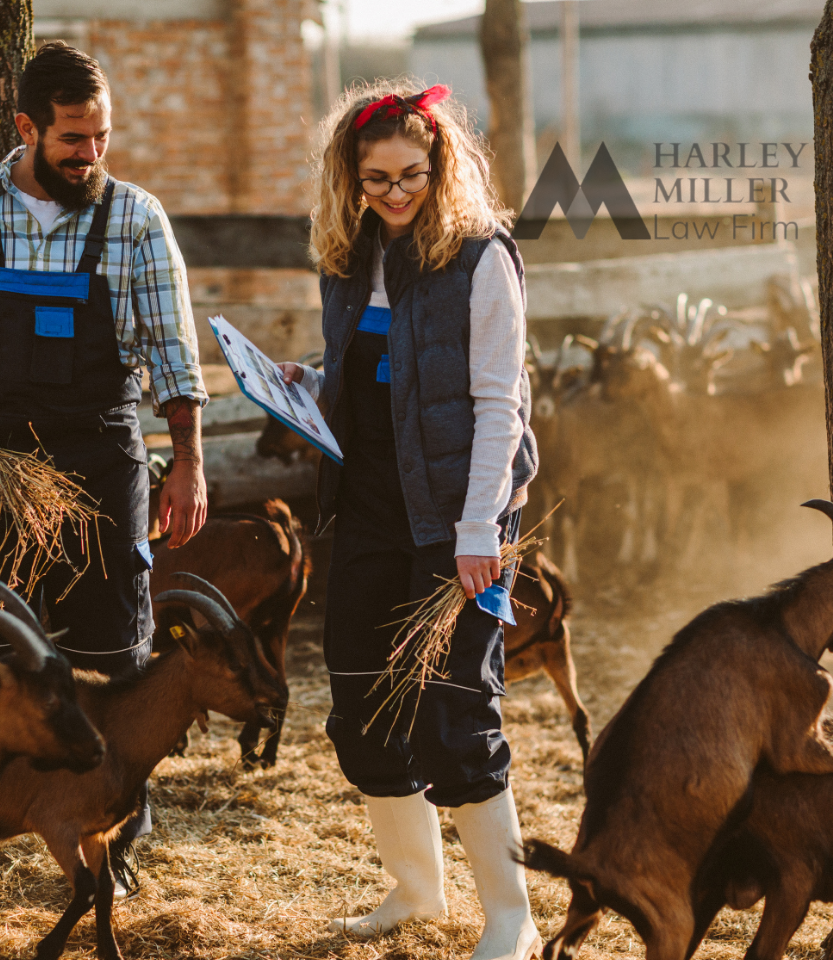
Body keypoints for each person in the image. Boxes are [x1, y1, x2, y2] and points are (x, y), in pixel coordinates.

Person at [0, 41, 207, 884]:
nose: (92, 154)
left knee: (115, 639)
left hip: (102, 456)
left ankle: (112, 824)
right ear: (28, 127)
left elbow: (173, 353)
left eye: (102, 136)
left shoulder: (137, 218)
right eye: (74, 138)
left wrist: (186, 462)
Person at [277, 82, 540, 960]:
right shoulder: (347, 261)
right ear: (348, 178)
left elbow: (500, 406)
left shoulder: (478, 258)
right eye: (377, 177)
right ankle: (418, 893)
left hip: (457, 522)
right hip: (370, 514)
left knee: (455, 715)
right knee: (360, 703)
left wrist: (478, 531)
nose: (396, 192)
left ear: (442, 165)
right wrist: (304, 390)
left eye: (413, 174)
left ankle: (512, 917)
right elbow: (369, 390)